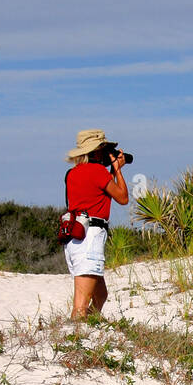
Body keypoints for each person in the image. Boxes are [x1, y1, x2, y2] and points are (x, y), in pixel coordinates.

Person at [63, 128, 129, 320]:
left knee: (101, 295)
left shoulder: (72, 173)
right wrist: (116, 169)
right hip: (90, 237)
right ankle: (76, 337)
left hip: (75, 238)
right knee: (81, 305)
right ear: (97, 151)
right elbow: (123, 198)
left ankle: (89, 328)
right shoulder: (98, 172)